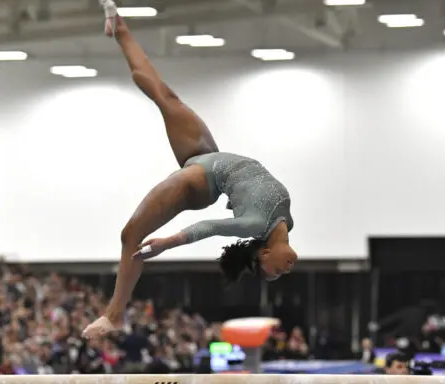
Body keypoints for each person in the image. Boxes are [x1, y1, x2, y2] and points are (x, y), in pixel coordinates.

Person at [82, 0, 298, 339]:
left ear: (264, 252)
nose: (283, 271)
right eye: (279, 273)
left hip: (200, 182)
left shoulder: (257, 224)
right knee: (164, 95)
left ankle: (113, 314)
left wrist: (167, 243)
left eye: (272, 273)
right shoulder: (287, 219)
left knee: (130, 236)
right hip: (209, 156)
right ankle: (120, 28)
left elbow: (209, 226)